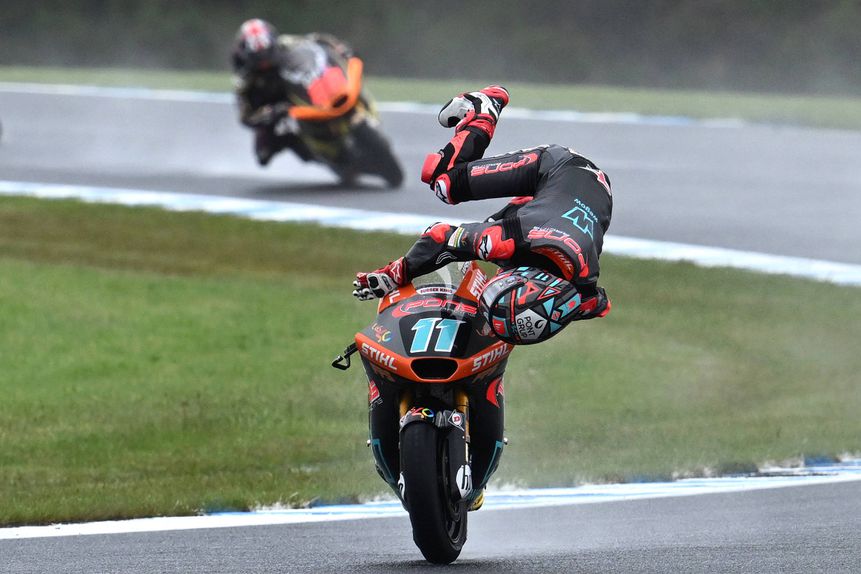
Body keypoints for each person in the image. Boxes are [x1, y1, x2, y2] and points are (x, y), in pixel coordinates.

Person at [352, 86, 612, 345]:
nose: (495, 283)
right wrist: (394, 275)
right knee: (445, 182)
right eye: (499, 286)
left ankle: (532, 206)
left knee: (486, 238)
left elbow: (601, 305)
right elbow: (440, 236)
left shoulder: (583, 296)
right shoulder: (508, 241)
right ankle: (484, 108)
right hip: (559, 167)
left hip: (583, 200)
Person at [230, 18, 353, 166]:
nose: (265, 63)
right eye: (259, 59)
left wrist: (338, 47)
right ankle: (311, 151)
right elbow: (245, 115)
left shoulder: (286, 43)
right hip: (274, 104)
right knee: (263, 154)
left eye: (267, 55)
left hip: (301, 87)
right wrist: (269, 113)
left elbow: (316, 40)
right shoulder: (244, 76)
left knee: (337, 83)